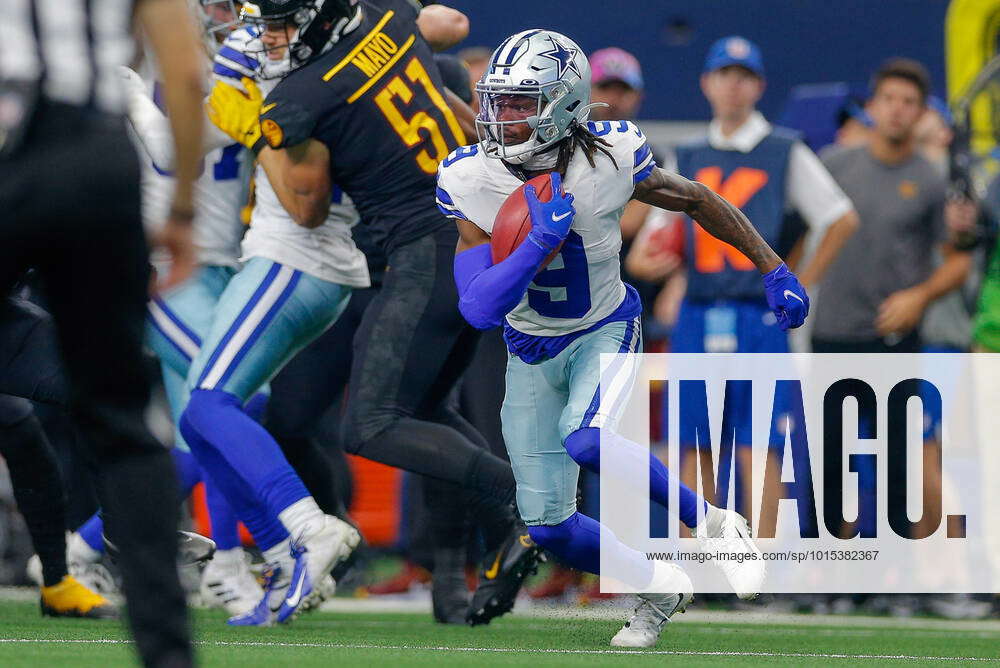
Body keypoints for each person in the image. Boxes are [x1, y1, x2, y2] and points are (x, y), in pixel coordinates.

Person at [438, 28, 810, 647]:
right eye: (498, 101)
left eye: (520, 103)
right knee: (550, 528)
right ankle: (658, 586)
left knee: (586, 440)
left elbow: (695, 199)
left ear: (562, 104)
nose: (501, 118)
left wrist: (772, 265)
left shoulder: (610, 157)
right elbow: (478, 308)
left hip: (604, 327)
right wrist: (535, 245)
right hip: (529, 348)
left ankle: (714, 522)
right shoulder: (471, 176)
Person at [207, 0, 539, 625]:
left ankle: (524, 511)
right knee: (422, 412)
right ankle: (494, 538)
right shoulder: (386, 17)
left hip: (417, 249)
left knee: (372, 424)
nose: (272, 37)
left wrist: (255, 125)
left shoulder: (304, 92)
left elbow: (304, 206)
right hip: (460, 236)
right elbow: (444, 24)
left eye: (282, 24)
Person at [0, 0, 205, 664]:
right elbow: (182, 67)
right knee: (122, 423)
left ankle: (62, 575)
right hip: (95, 155)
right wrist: (181, 210)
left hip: (15, 145)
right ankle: (167, 652)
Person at [642, 36, 859, 518]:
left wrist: (800, 283)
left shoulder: (783, 149)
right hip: (699, 311)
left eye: (742, 77)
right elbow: (652, 244)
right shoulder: (691, 154)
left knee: (758, 441)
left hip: (756, 314)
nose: (732, 86)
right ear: (707, 83)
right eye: (724, 75)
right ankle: (699, 562)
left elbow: (839, 217)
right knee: (693, 438)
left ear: (758, 86)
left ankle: (757, 573)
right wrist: (667, 267)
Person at [812, 58, 972, 355]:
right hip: (829, 334)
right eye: (888, 99)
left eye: (908, 102)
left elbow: (958, 262)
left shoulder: (932, 180)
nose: (897, 109)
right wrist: (799, 287)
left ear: (923, 113)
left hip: (895, 338)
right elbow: (796, 237)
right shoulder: (833, 164)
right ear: (872, 107)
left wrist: (919, 296)